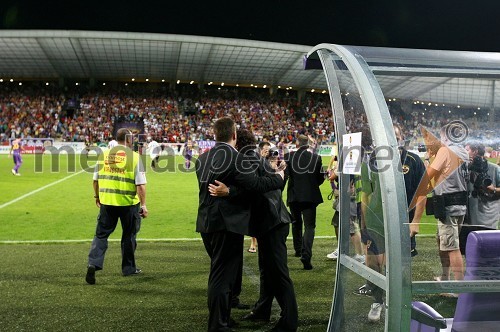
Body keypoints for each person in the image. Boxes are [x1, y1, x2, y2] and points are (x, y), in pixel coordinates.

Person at [195, 117, 285, 332]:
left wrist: (230, 191)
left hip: (206, 223)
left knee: (219, 274)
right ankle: (218, 325)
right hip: (226, 225)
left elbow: (226, 186)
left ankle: (223, 318)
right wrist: (279, 177)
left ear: (215, 134)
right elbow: (256, 184)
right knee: (222, 278)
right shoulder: (236, 158)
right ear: (234, 135)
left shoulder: (202, 159)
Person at [210, 129, 298, 331]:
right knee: (267, 271)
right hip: (269, 222)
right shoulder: (253, 156)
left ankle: (289, 321)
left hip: (272, 222)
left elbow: (254, 186)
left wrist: (229, 191)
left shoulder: (246, 158)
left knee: (278, 274)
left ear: (236, 143)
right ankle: (262, 309)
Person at [356, 125, 427, 322]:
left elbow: (422, 193)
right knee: (372, 263)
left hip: (403, 224)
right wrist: (363, 223)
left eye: (394, 135)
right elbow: (366, 195)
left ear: (400, 138)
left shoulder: (412, 160)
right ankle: (377, 301)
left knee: (398, 266)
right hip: (375, 222)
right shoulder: (371, 161)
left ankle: (397, 302)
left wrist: (416, 222)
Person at [85, 128, 148, 285]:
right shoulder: (134, 157)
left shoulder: (103, 155)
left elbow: (95, 180)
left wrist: (97, 196)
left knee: (101, 235)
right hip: (128, 204)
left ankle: (93, 263)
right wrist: (144, 205)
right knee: (129, 236)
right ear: (128, 140)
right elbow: (140, 185)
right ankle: (128, 269)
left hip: (107, 203)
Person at [423, 124, 469, 287]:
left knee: (452, 247)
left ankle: (459, 288)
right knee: (445, 242)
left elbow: (429, 175)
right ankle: (445, 277)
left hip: (448, 206)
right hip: (460, 204)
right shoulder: (463, 151)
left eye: (441, 137)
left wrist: (428, 161)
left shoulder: (446, 151)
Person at [284, 134, 325, 270]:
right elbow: (320, 179)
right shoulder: (316, 158)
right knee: (309, 227)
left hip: (294, 196)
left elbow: (286, 175)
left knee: (296, 223)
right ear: (307, 144)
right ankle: (306, 255)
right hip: (309, 196)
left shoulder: (289, 157)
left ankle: (298, 249)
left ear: (297, 143)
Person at [460, 143, 500, 253]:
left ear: (475, 151)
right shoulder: (464, 169)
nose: (465, 152)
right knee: (469, 252)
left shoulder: (495, 169)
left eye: (467, 150)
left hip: (488, 220)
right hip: (468, 219)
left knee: (488, 253)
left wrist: (493, 189)